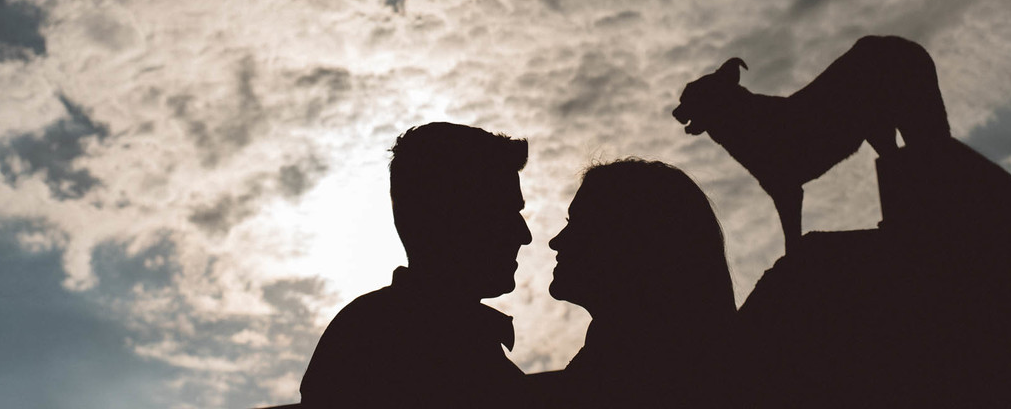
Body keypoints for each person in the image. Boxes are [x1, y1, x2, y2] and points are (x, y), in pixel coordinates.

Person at [298, 122, 532, 407]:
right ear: (454, 217)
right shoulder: (383, 343)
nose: (524, 235)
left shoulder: (373, 334)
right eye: (505, 212)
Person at [531, 158, 738, 408]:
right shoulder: (613, 365)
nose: (556, 242)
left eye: (578, 224)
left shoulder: (630, 380)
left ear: (632, 242)